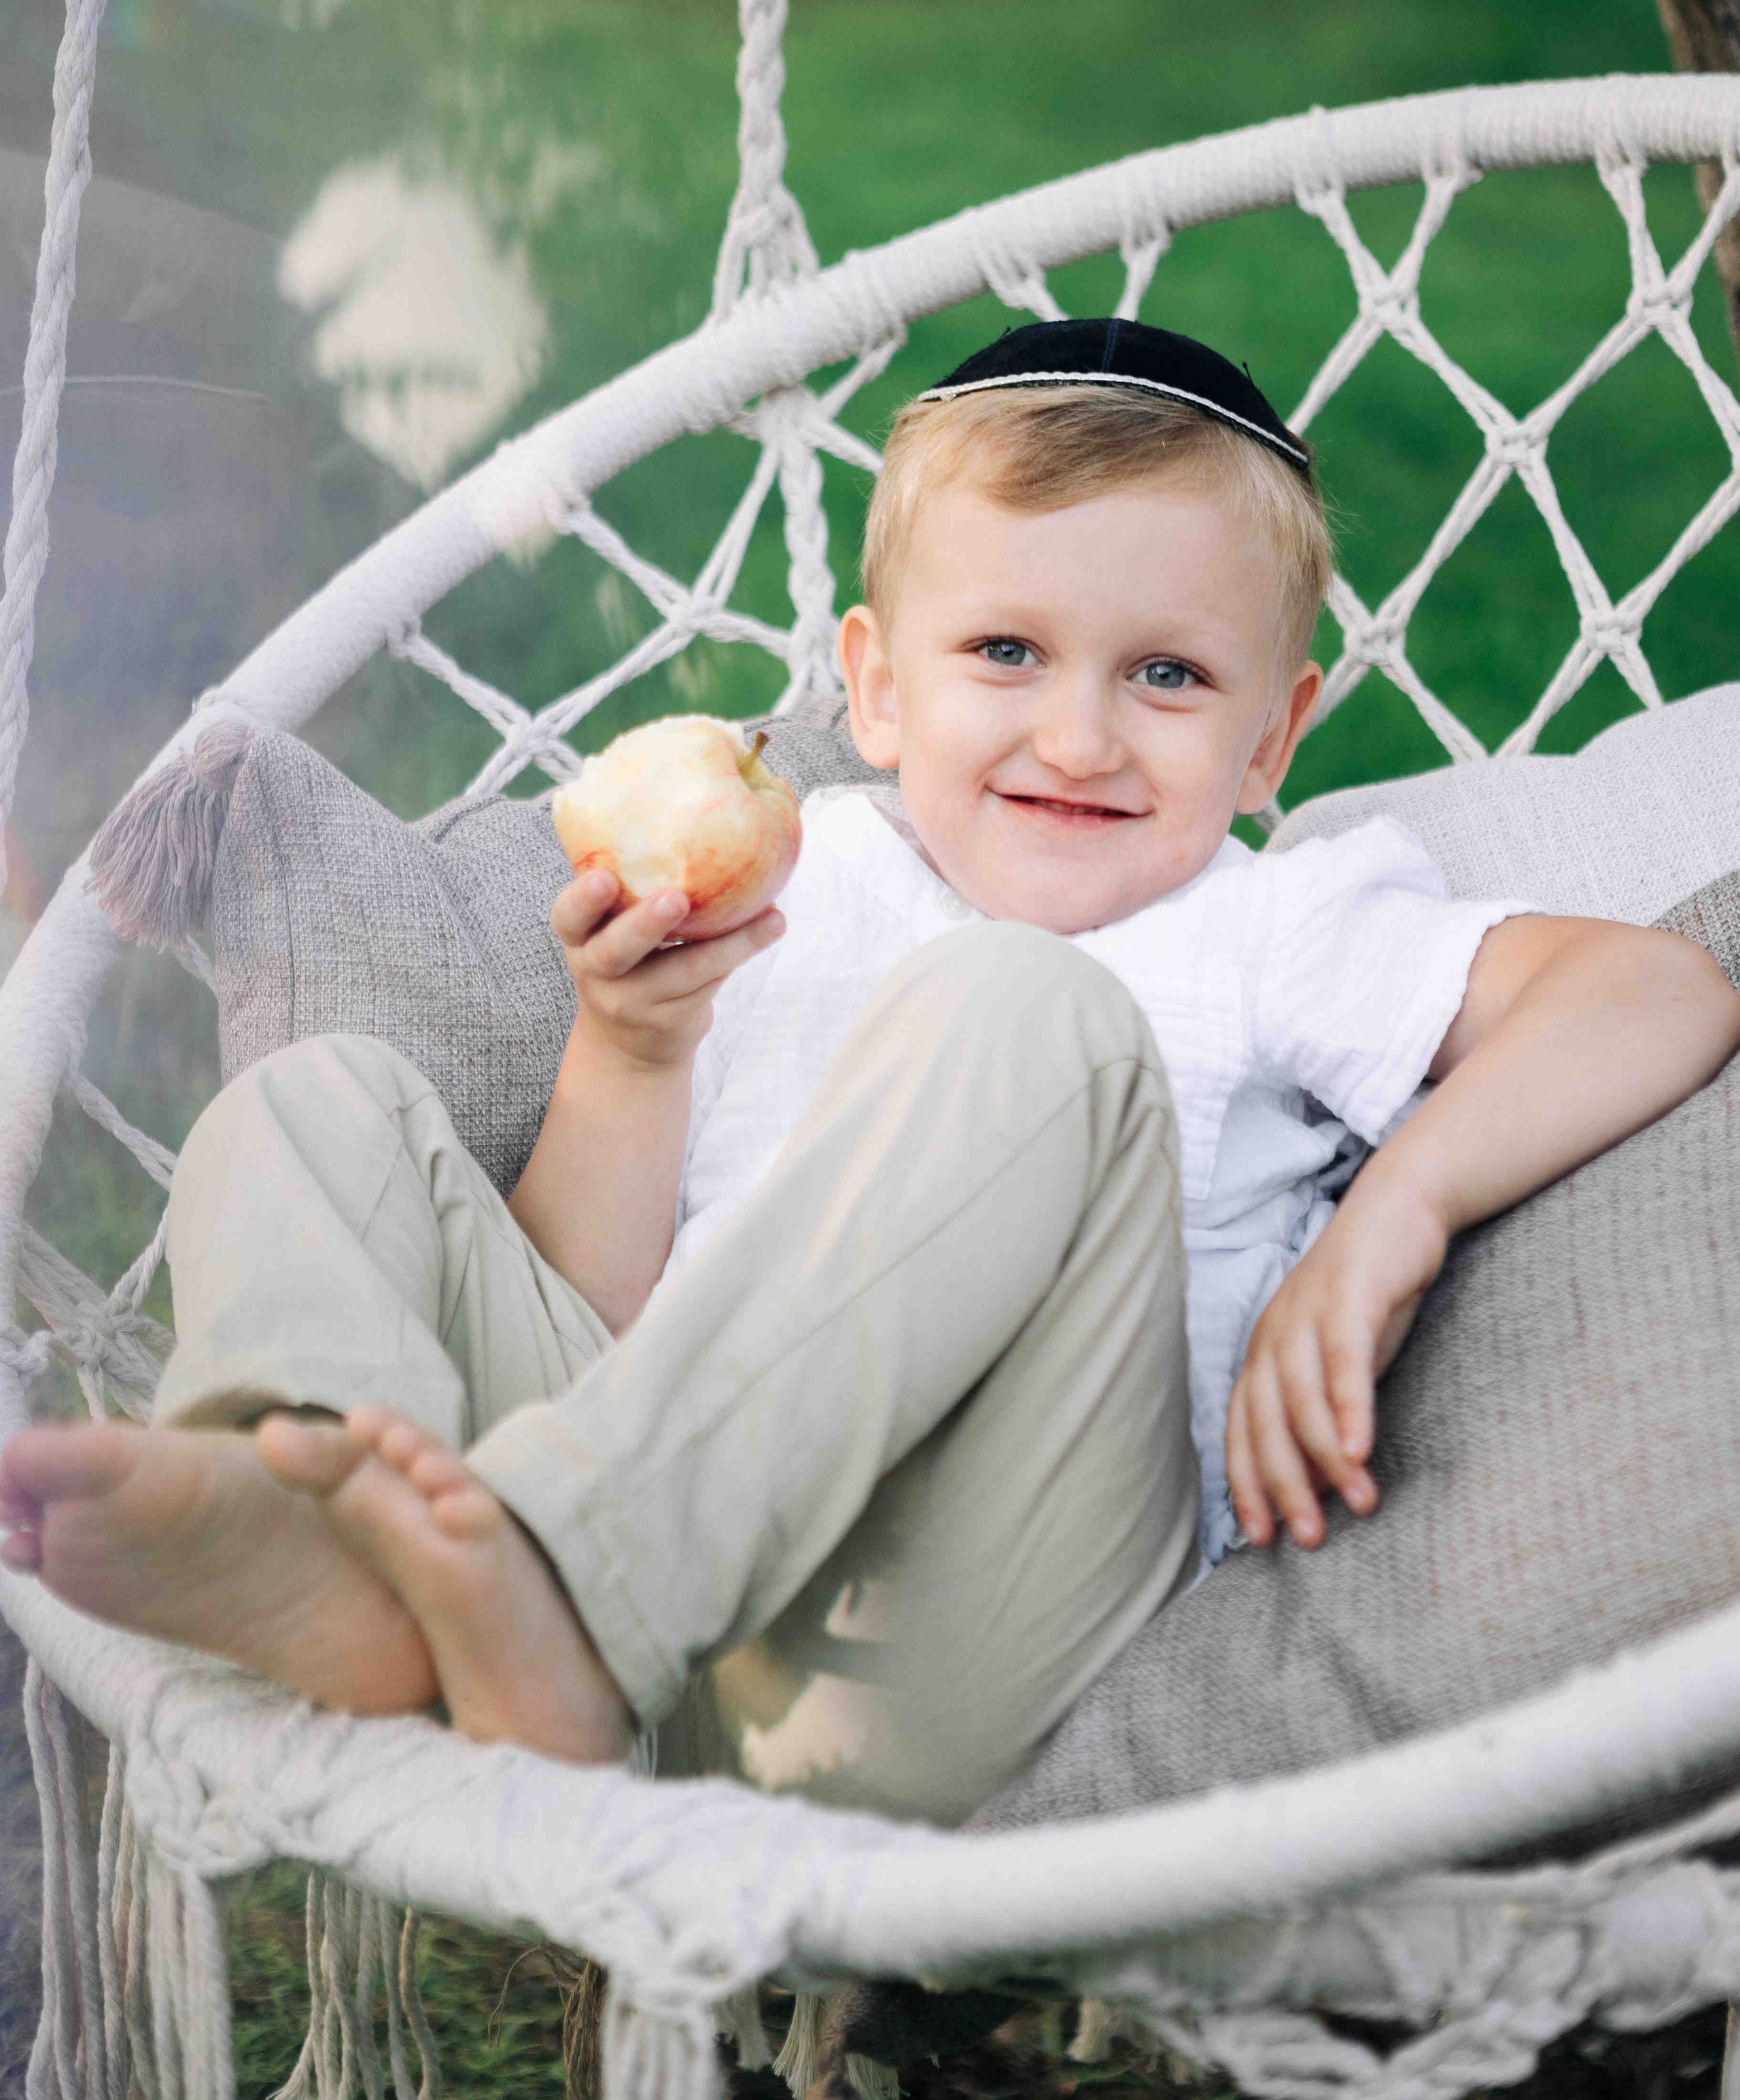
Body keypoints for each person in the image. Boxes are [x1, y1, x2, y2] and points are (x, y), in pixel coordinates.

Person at [5, 318, 1738, 1826]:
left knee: (1019, 1010)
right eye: (1005, 653)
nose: (1077, 735)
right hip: (596, 1585)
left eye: (1165, 675)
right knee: (324, 1099)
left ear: (1270, 736)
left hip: (937, 1642)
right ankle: (305, 1506)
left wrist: (1395, 1211)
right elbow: (588, 1303)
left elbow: (1653, 989)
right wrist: (632, 1046)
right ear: (874, 689)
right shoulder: (788, 878)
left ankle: (561, 1585)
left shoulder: (1274, 922)